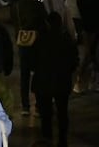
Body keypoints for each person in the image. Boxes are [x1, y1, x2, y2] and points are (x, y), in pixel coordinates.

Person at [33, 11, 78, 147]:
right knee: (62, 113)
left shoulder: (41, 39)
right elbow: (74, 61)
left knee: (46, 115)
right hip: (62, 81)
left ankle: (47, 140)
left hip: (43, 81)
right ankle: (62, 141)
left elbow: (32, 59)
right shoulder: (66, 40)